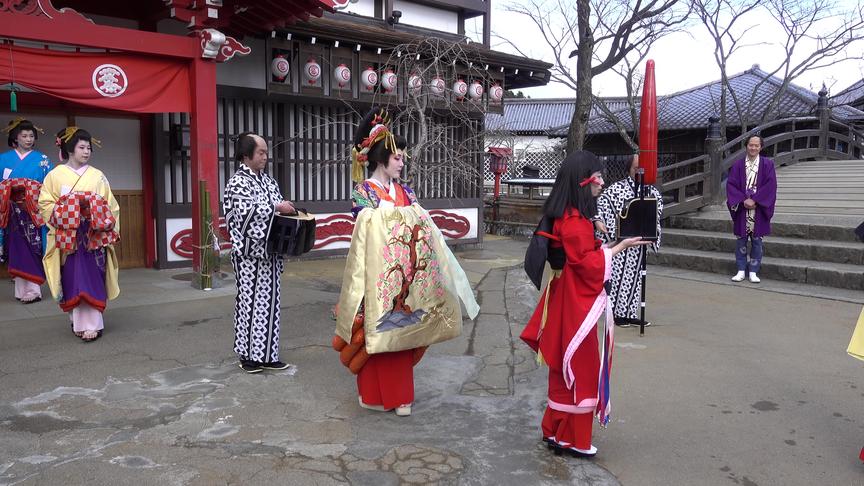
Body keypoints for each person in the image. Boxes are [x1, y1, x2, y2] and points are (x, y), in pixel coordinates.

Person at [332, 108, 478, 417]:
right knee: (378, 331)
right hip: (377, 273)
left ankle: (400, 397)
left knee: (405, 331)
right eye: (397, 157)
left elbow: (420, 225)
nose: (402, 162)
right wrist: (400, 216)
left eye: (402, 157)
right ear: (381, 157)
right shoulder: (364, 192)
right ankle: (374, 394)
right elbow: (365, 226)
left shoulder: (405, 191)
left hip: (407, 274)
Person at [521, 151, 649, 458]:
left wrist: (597, 234)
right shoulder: (576, 222)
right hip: (574, 299)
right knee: (582, 365)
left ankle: (555, 431)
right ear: (584, 181)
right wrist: (618, 246)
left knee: (565, 365)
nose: (602, 182)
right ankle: (573, 439)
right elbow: (589, 265)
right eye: (599, 177)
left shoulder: (568, 214)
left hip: (563, 294)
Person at [223, 132, 295, 374]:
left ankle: (268, 355)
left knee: (270, 305)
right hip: (248, 257)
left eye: (266, 152)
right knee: (250, 304)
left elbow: (275, 206)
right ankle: (248, 356)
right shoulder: (237, 182)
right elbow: (245, 214)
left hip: (270, 254)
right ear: (246, 155)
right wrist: (276, 207)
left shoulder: (268, 181)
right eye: (261, 152)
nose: (265, 156)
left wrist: (286, 207)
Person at [39, 128, 120, 342]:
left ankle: (92, 324)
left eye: (88, 148)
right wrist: (69, 210)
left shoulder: (97, 175)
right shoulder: (55, 175)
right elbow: (45, 204)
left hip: (93, 234)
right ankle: (77, 320)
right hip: (68, 235)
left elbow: (111, 206)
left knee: (92, 276)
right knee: (72, 277)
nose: (86, 152)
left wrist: (93, 209)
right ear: (70, 149)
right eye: (81, 147)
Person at [596, 154, 663, 327]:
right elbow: (602, 206)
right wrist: (602, 223)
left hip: (639, 244)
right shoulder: (616, 189)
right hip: (620, 243)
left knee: (636, 280)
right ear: (629, 169)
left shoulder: (652, 191)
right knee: (619, 278)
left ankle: (631, 314)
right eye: (636, 168)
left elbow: (657, 213)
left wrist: (650, 232)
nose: (640, 171)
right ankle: (618, 314)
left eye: (642, 168)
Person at [0, 118, 52, 303]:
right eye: (24, 135)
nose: (29, 139)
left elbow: (49, 185)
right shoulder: (3, 159)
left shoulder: (42, 160)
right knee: (16, 247)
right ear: (15, 137)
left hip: (33, 211)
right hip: (12, 211)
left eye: (31, 135)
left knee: (33, 247)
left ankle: (34, 289)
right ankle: (21, 289)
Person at [726, 135, 777, 283]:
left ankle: (754, 271)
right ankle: (741, 270)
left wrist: (756, 200)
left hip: (759, 209)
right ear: (746, 146)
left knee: (757, 242)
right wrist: (743, 200)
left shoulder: (768, 165)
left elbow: (771, 186)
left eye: (756, 145)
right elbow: (731, 185)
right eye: (750, 145)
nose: (753, 148)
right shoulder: (738, 165)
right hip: (742, 208)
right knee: (741, 241)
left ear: (761, 147)